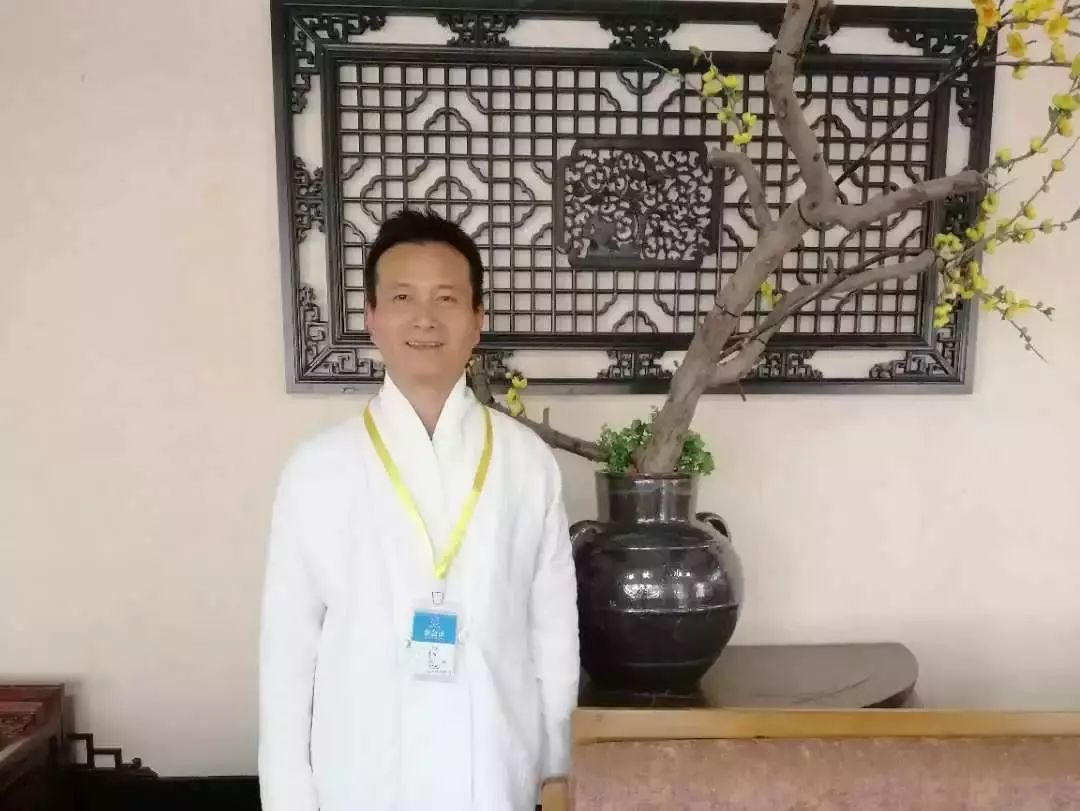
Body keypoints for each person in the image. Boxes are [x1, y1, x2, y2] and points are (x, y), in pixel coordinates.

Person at [258, 209, 580, 811]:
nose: (425, 318)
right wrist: (288, 797)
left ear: (478, 319)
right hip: (361, 780)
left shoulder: (527, 462)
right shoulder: (316, 471)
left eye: (447, 298)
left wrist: (557, 774)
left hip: (494, 776)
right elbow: (287, 656)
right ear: (371, 317)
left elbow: (555, 637)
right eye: (403, 297)